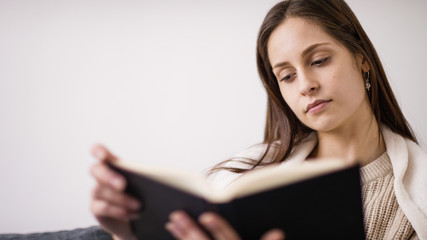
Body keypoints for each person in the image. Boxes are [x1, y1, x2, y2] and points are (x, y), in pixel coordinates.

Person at [90, 0, 427, 239]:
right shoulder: (243, 179)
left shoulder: (419, 196)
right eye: (287, 76)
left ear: (362, 59)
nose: (306, 85)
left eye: (320, 60)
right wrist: (127, 235)